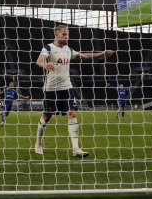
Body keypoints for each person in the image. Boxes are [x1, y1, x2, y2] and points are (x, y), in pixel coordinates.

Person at [35, 25, 113, 157]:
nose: (66, 37)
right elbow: (39, 60)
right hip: (51, 89)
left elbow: (84, 56)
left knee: (72, 114)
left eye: (67, 34)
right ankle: (38, 144)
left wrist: (101, 54)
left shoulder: (68, 50)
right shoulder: (48, 48)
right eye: (64, 34)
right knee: (46, 117)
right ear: (57, 34)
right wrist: (44, 64)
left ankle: (76, 149)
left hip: (67, 87)